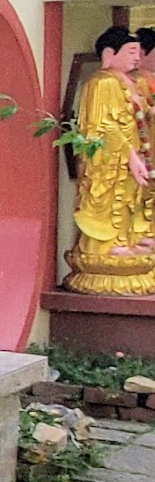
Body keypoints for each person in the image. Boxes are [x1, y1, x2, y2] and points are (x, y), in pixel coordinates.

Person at [66, 24, 155, 293]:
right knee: (108, 196)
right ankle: (106, 243)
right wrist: (128, 155)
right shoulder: (102, 82)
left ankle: (130, 238)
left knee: (134, 197)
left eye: (138, 51)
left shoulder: (136, 81)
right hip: (110, 158)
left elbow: (144, 113)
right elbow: (101, 126)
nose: (136, 57)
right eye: (130, 52)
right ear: (109, 54)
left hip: (138, 151)